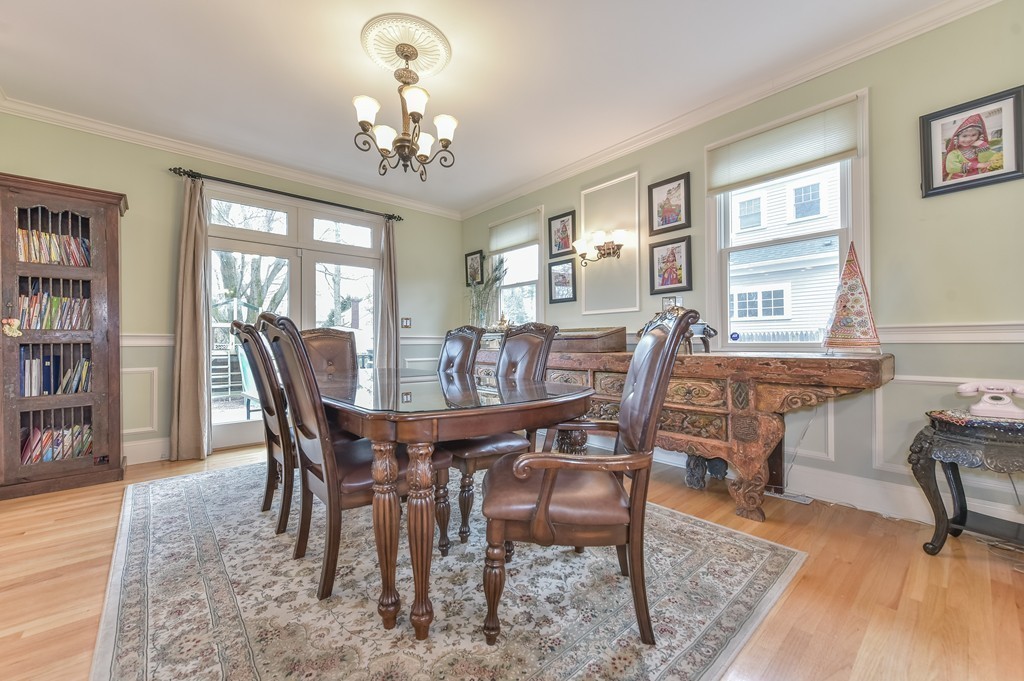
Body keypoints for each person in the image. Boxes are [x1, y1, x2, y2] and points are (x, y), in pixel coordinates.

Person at [942, 114, 993, 181]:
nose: (969, 139)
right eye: (964, 136)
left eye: (974, 135)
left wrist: (982, 144)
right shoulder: (954, 153)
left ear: (979, 135)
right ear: (957, 138)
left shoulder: (978, 149)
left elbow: (984, 160)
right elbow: (951, 168)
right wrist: (975, 165)